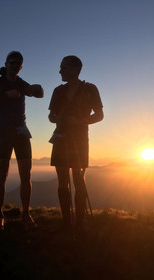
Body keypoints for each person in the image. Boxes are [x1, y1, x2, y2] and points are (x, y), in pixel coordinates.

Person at [0, 51, 44, 231]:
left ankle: (25, 214)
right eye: (12, 62)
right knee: (2, 173)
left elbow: (40, 95)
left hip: (21, 132)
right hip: (4, 132)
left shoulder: (22, 83)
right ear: (6, 64)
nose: (15, 65)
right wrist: (6, 96)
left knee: (26, 174)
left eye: (18, 63)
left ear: (21, 67)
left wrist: (36, 89)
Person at [48, 55, 103, 236]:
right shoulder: (58, 91)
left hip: (77, 139)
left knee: (78, 179)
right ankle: (68, 223)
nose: (60, 71)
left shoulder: (90, 89)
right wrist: (61, 119)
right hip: (63, 138)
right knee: (64, 179)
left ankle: (77, 224)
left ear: (75, 69)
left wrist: (78, 122)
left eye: (63, 67)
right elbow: (51, 117)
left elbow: (99, 115)